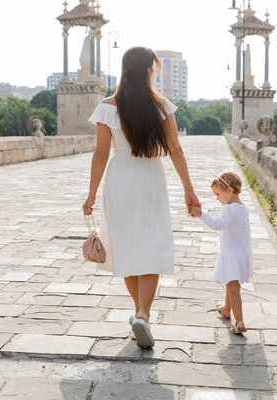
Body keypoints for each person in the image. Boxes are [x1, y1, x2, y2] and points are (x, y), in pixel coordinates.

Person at [83, 46, 200, 348]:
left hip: (119, 178)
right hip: (150, 178)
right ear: (148, 70)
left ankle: (140, 314)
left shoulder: (108, 107)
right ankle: (143, 315)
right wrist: (189, 189)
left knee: (125, 247)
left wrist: (92, 193)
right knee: (151, 245)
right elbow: (175, 149)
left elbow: (100, 153)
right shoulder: (161, 106)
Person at [190, 171, 253, 334]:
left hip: (231, 254)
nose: (217, 198)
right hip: (241, 253)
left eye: (218, 194)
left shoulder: (228, 209)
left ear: (229, 190)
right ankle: (226, 309)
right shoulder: (243, 207)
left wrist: (201, 214)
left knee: (233, 288)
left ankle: (239, 322)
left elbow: (218, 224)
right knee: (231, 283)